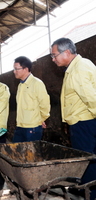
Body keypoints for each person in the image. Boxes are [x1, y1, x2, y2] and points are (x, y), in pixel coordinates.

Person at [51, 37, 96, 200]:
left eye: (55, 55)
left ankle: (91, 194)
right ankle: (86, 189)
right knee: (90, 159)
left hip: (84, 122)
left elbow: (91, 97)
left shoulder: (78, 69)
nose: (53, 59)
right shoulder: (80, 65)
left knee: (87, 161)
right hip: (84, 120)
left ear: (67, 52)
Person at [12, 56, 50, 142]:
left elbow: (45, 105)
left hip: (32, 128)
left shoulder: (37, 83)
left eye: (16, 69)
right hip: (20, 126)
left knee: (30, 154)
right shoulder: (20, 85)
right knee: (17, 153)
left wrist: (40, 120)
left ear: (25, 69)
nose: (14, 72)